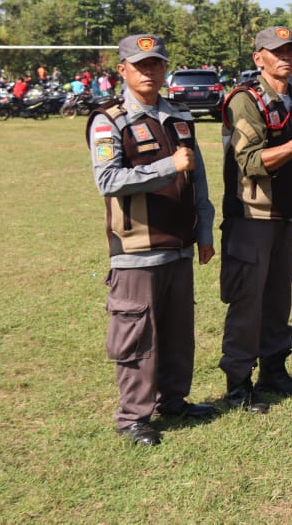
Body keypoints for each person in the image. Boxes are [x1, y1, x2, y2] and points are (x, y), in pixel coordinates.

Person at [87, 34, 216, 446]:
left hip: (178, 243)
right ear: (122, 69)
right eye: (141, 65)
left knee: (178, 330)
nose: (150, 71)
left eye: (156, 63)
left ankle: (174, 401)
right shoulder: (109, 120)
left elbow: (197, 179)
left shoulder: (179, 117)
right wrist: (166, 166)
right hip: (136, 248)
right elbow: (107, 180)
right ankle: (133, 417)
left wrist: (204, 230)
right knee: (137, 334)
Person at [219, 26, 292, 413]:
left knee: (278, 299)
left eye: (291, 51)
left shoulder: (291, 98)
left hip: (283, 215)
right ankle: (238, 385)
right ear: (258, 58)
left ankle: (274, 371)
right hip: (250, 217)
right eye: (276, 51)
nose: (286, 57)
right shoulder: (245, 100)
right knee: (248, 303)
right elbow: (250, 161)